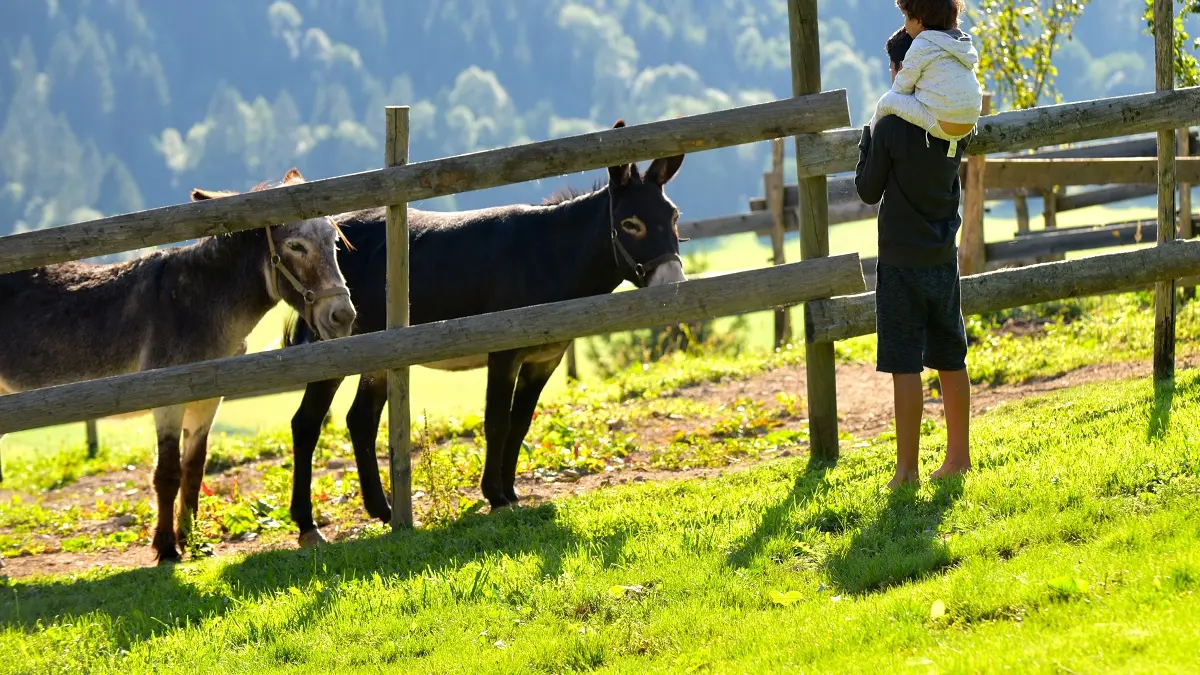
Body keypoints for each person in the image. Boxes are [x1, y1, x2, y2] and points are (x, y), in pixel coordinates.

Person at [855, 27, 972, 489]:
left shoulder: (888, 126)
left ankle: (907, 471)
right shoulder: (954, 122)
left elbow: (867, 190)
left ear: (903, 70)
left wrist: (867, 137)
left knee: (905, 362)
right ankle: (958, 458)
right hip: (943, 255)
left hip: (901, 262)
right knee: (950, 356)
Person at [870, 0, 983, 158]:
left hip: (942, 122)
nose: (905, 23)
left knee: (887, 101)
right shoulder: (959, 44)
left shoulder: (921, 45)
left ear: (918, 20)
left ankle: (870, 147)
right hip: (969, 122)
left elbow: (901, 88)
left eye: (906, 17)